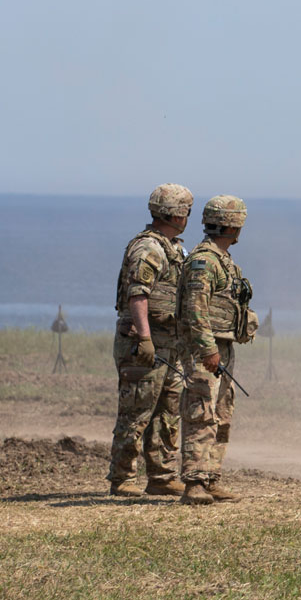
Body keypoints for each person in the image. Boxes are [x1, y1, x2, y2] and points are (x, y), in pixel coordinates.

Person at [108, 184, 193, 497]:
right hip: (144, 342)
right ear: (175, 214)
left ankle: (161, 476)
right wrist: (144, 337)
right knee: (136, 411)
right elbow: (138, 295)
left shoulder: (172, 248)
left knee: (167, 413)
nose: (188, 218)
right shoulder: (149, 249)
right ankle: (122, 477)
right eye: (185, 212)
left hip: (168, 344)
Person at [177, 195, 257, 505]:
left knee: (221, 412)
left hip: (222, 345)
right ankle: (195, 482)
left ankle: (211, 477)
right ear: (233, 226)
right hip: (205, 349)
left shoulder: (223, 261)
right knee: (201, 412)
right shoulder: (205, 262)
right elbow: (196, 309)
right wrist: (208, 350)